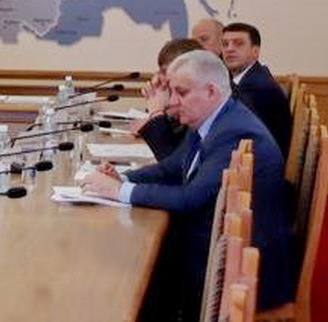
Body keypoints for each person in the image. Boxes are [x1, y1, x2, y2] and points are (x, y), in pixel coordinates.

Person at [82, 50, 293, 320]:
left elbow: (190, 198)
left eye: (181, 93)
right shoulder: (215, 118)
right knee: (126, 255)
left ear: (211, 91)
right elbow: (172, 166)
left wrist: (118, 192)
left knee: (131, 266)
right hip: (218, 242)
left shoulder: (235, 131)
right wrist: (124, 179)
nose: (171, 102)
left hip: (241, 267)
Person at [222, 22, 292, 155]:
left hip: (258, 162)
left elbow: (238, 135)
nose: (229, 49)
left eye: (238, 44)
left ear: (255, 52)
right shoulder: (250, 78)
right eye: (225, 44)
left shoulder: (259, 88)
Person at [131, 38, 205, 159]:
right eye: (160, 72)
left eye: (165, 72)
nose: (162, 79)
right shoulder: (177, 102)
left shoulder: (199, 106)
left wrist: (156, 112)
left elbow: (170, 160)